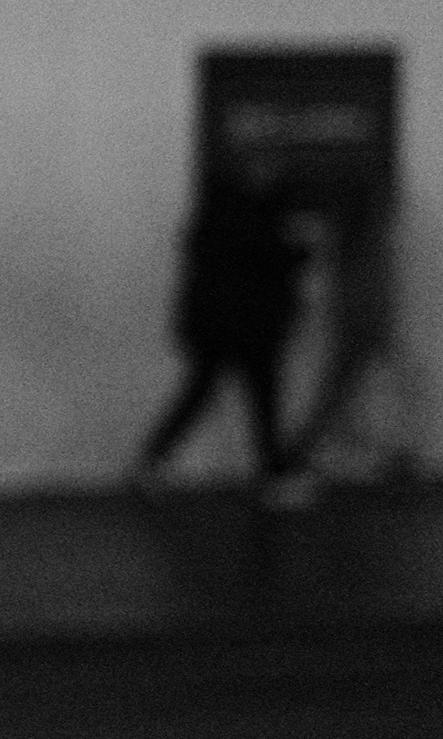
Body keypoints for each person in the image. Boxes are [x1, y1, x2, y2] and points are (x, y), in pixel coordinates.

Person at [130, 141, 309, 500]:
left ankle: (152, 461)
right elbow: (265, 258)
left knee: (207, 391)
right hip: (247, 322)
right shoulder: (253, 213)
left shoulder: (219, 210)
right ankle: (273, 475)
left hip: (222, 322)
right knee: (260, 397)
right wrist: (295, 254)